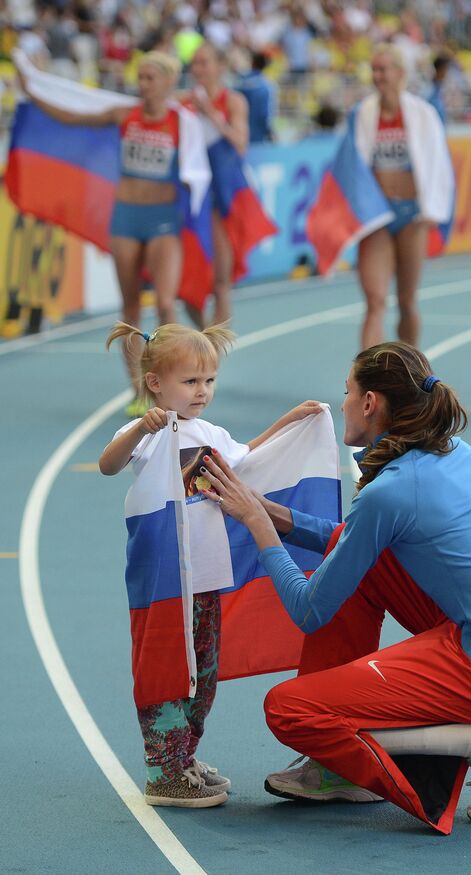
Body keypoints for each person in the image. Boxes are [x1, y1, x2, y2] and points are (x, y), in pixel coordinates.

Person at [197, 341, 471, 833]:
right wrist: (273, 512)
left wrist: (259, 526)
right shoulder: (448, 451)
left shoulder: (391, 489)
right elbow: (353, 540)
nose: (341, 404)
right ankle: (340, 765)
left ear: (370, 403)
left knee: (291, 710)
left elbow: (309, 611)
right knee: (350, 551)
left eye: (347, 391)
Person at [98, 319, 322, 808]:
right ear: (156, 383)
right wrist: (141, 422)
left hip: (207, 578)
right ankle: (162, 771)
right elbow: (108, 464)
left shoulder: (210, 432)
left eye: (209, 381)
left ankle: (184, 756)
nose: (202, 392)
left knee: (203, 672)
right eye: (191, 381)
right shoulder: (149, 432)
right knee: (167, 669)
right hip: (165, 581)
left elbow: (249, 459)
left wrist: (292, 421)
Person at [19, 51, 191, 418]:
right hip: (127, 218)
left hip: (163, 219)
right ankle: (138, 390)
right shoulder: (122, 113)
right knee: (130, 308)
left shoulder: (182, 121)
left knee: (164, 304)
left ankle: (174, 382)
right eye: (140, 77)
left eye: (149, 78)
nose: (142, 84)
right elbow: (73, 116)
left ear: (167, 82)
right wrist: (33, 93)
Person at [353, 44, 454, 350]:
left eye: (383, 69)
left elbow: (439, 163)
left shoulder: (423, 114)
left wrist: (432, 210)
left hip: (412, 216)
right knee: (375, 300)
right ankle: (366, 380)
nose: (377, 76)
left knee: (407, 299)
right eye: (374, 69)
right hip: (378, 216)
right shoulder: (363, 114)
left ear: (400, 73)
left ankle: (410, 375)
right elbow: (353, 165)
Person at [180, 42, 249, 327]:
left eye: (204, 63)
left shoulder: (232, 101)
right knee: (184, 284)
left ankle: (214, 349)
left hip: (221, 195)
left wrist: (209, 112)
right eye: (194, 63)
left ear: (220, 67)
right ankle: (205, 332)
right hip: (189, 197)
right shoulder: (181, 101)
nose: (198, 69)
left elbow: (240, 143)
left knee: (221, 279)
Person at [235, 51, 278, 143]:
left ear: (252, 63)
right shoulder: (267, 85)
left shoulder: (238, 82)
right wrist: (270, 131)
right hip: (258, 134)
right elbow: (267, 113)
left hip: (239, 132)